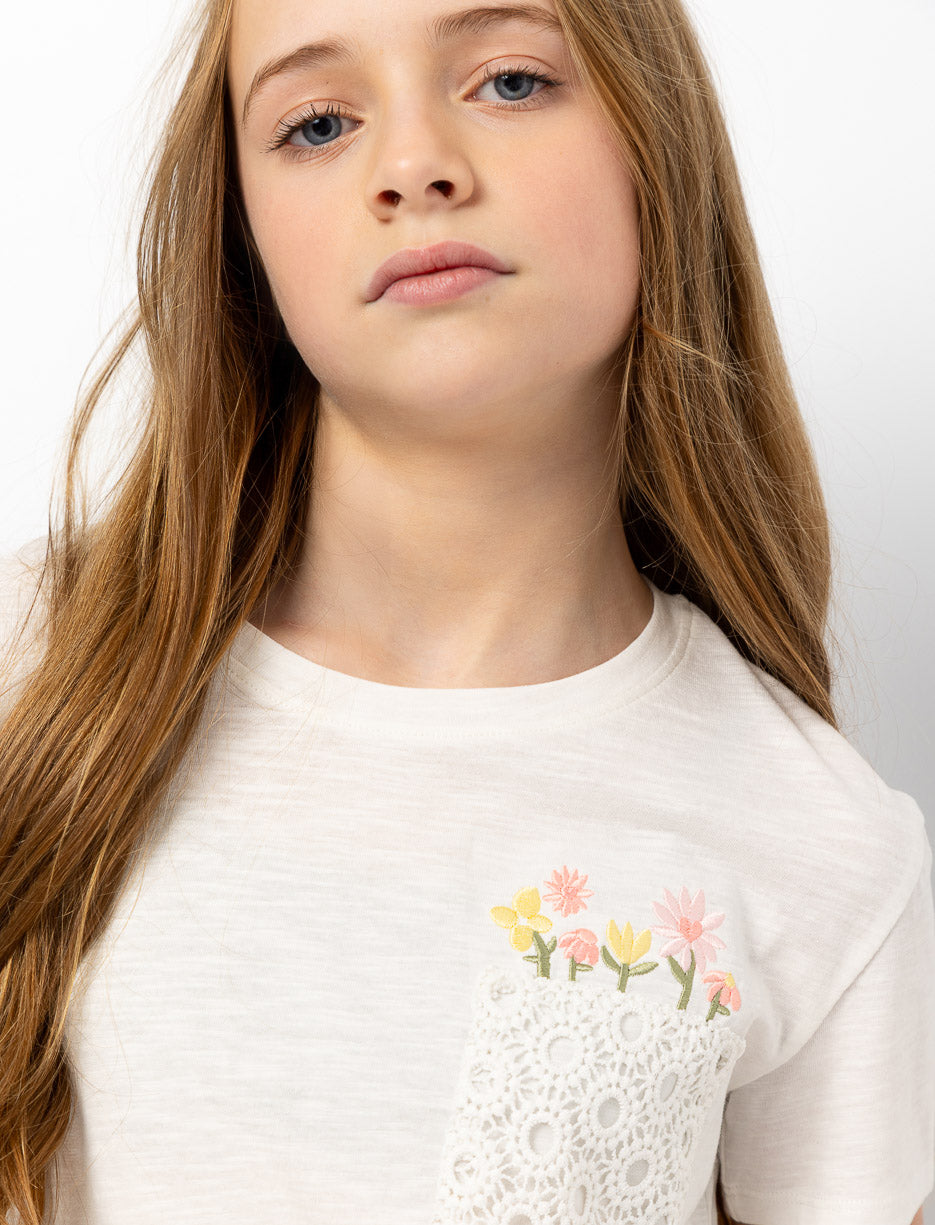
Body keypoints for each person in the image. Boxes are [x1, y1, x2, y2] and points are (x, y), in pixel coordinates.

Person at [0, 0, 931, 1221]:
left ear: (655, 140)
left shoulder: (825, 844)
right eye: (317, 122)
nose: (412, 166)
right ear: (242, 232)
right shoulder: (34, 668)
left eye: (507, 81)